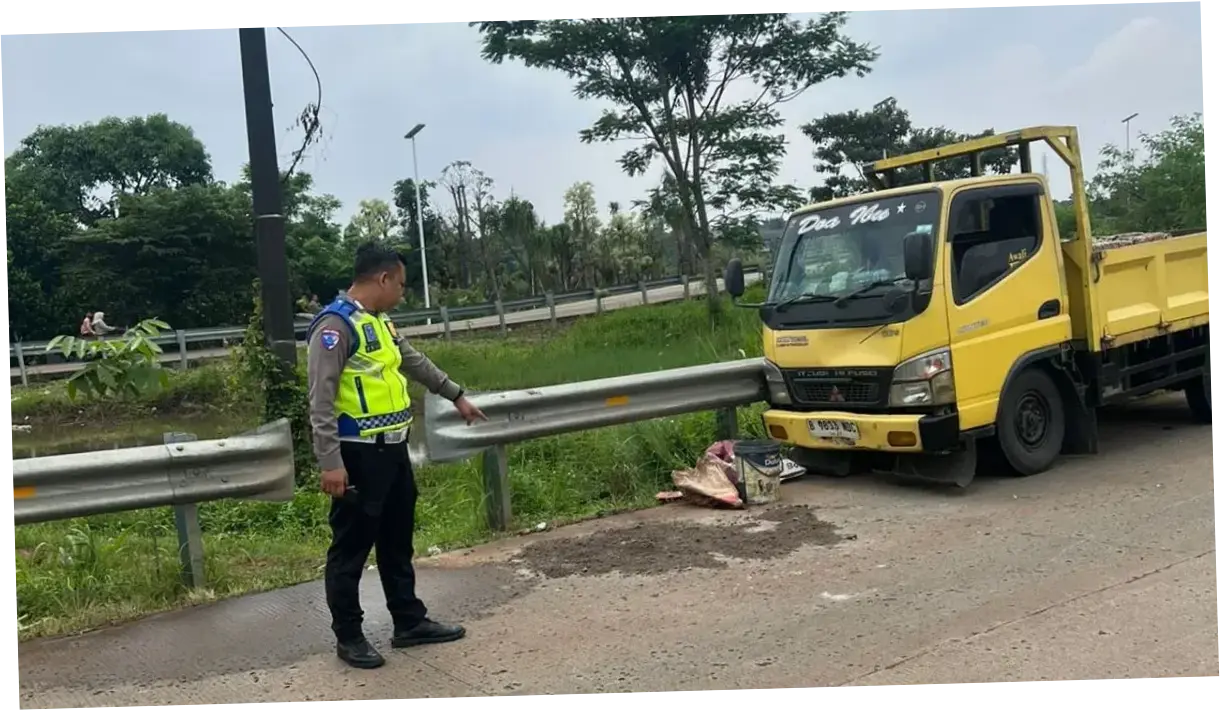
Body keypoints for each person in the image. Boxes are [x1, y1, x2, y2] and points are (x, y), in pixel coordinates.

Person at [306, 242, 487, 670]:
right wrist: (330, 462)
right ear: (382, 279)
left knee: (396, 541)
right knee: (350, 549)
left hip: (394, 450)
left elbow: (413, 362)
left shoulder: (380, 324)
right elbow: (320, 402)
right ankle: (349, 636)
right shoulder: (334, 326)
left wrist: (456, 394)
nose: (402, 293)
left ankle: (409, 621)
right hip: (357, 456)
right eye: (401, 285)